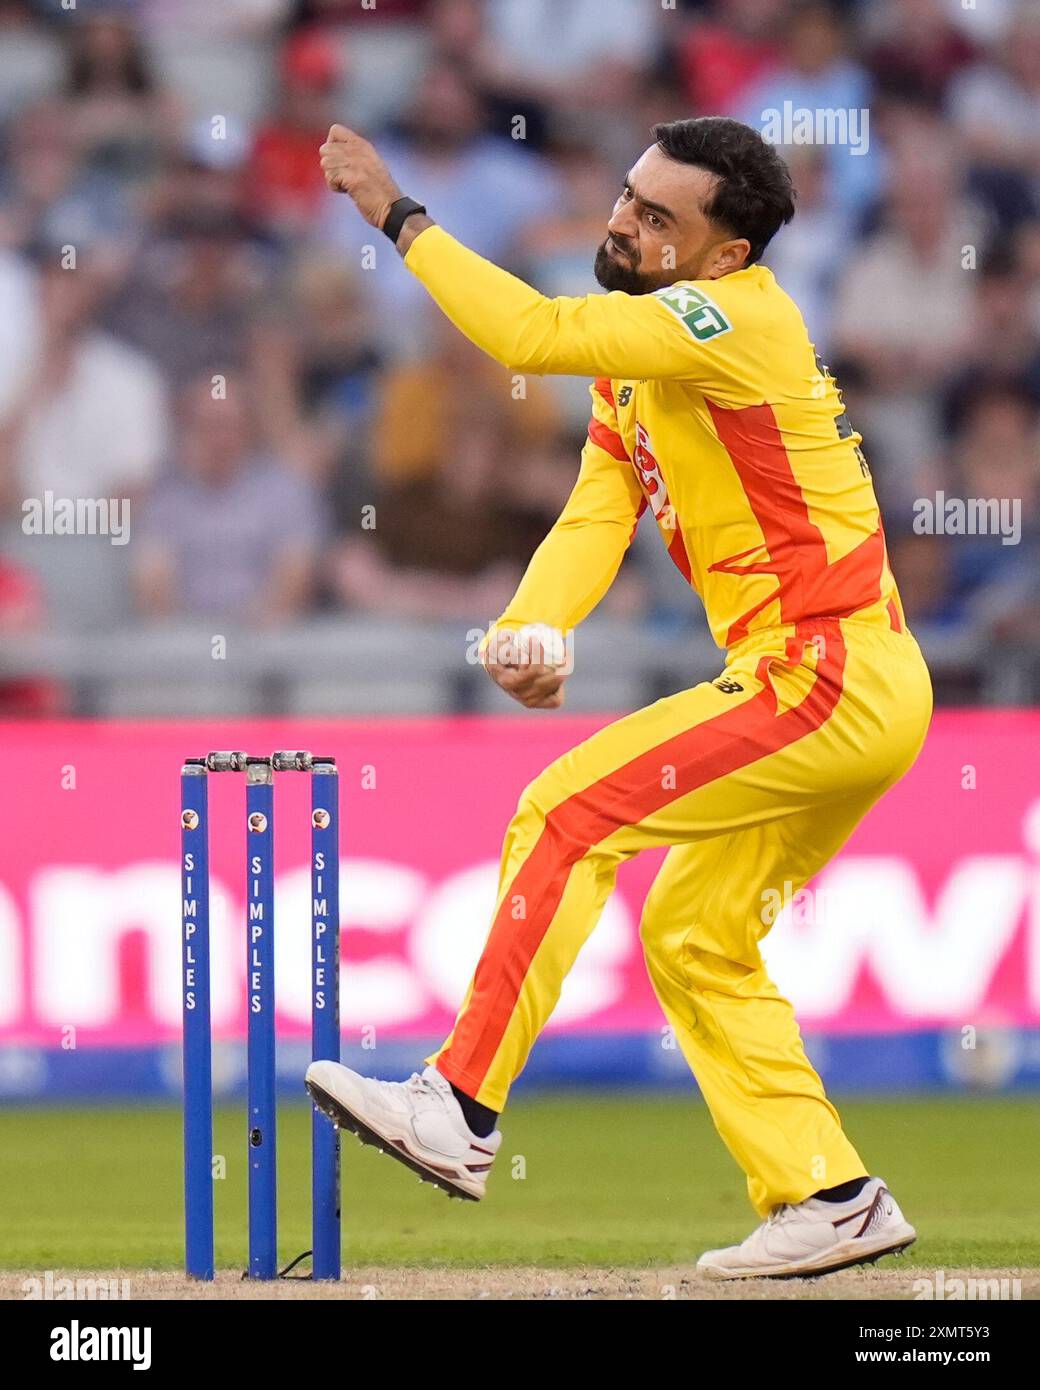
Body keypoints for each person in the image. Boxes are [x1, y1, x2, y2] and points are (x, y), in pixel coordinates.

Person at [306, 116, 933, 1280]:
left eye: (657, 218)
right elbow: (599, 506)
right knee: (692, 934)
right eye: (626, 197)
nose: (622, 224)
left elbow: (529, 332)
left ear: (722, 255)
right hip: (843, 680)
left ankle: (459, 1103)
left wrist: (395, 213)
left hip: (823, 669)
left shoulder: (729, 319)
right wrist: (531, 626)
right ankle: (827, 1193)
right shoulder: (643, 355)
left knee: (564, 810)